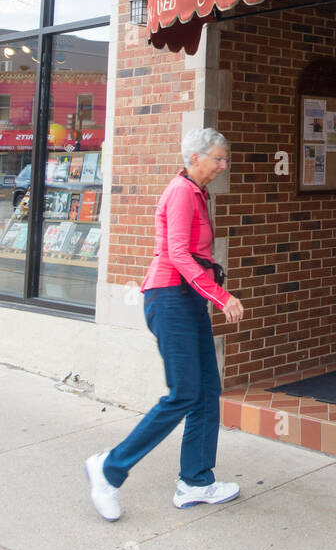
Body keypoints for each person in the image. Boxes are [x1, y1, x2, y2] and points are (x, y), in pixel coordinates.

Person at [85, 128, 244, 520]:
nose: (224, 165)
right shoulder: (180, 192)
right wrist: (221, 296)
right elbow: (177, 253)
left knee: (207, 390)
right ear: (194, 158)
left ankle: (196, 482)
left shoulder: (198, 192)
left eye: (225, 158)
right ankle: (109, 468)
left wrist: (207, 293)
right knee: (184, 393)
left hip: (187, 299)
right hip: (170, 298)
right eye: (219, 158)